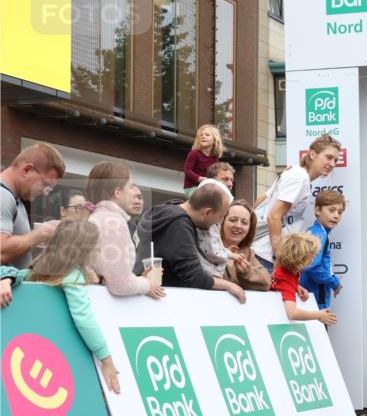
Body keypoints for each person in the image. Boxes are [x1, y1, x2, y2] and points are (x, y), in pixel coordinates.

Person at [1, 222, 121, 393]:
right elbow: (83, 318)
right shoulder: (73, 275)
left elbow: (18, 274)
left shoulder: (43, 269)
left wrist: (7, 279)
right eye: (96, 247)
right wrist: (106, 360)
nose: (99, 251)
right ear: (84, 250)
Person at [137, 183, 246, 303]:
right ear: (207, 212)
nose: (218, 223)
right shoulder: (179, 225)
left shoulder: (169, 209)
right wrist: (229, 285)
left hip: (147, 297)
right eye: (220, 217)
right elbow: (194, 276)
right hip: (157, 300)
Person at [252, 135, 341, 272]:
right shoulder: (300, 177)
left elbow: (260, 201)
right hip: (266, 256)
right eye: (328, 157)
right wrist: (280, 257)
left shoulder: (295, 174)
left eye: (336, 160)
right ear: (312, 154)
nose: (333, 164)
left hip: (261, 253)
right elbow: (274, 216)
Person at [86, 162, 165, 299]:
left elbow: (107, 274)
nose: (133, 192)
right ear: (117, 192)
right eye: (131, 186)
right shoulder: (112, 221)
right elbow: (120, 284)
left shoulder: (97, 217)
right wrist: (147, 285)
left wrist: (138, 279)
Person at [1, 143, 65, 268]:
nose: (46, 192)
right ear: (27, 170)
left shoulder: (15, 198)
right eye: (45, 184)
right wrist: (40, 234)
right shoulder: (3, 196)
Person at [270, 233, 337, 325]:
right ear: (301, 260)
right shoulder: (287, 279)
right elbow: (292, 313)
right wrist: (319, 315)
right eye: (311, 257)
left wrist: (296, 287)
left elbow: (279, 284)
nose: (313, 259)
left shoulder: (284, 269)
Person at [301, 190, 346, 311]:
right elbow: (312, 267)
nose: (336, 215)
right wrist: (335, 282)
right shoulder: (318, 235)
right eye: (331, 210)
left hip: (311, 297)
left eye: (340, 212)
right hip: (314, 299)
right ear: (318, 210)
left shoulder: (316, 232)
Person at [220, 199, 271, 291]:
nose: (238, 226)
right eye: (232, 220)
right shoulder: (209, 246)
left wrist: (247, 273)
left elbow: (267, 283)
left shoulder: (248, 253)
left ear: (249, 229)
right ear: (221, 222)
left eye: (244, 222)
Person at [194, 177, 235, 278]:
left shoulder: (210, 224)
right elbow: (213, 251)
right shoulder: (208, 227)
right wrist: (230, 254)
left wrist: (225, 250)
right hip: (209, 276)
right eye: (221, 216)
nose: (221, 219)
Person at [183, 124, 224, 197]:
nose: (203, 136)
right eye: (201, 135)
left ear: (214, 140)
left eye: (207, 135)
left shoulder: (215, 158)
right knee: (204, 198)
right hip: (192, 187)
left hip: (206, 188)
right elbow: (187, 170)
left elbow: (216, 174)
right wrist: (199, 179)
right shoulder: (194, 153)